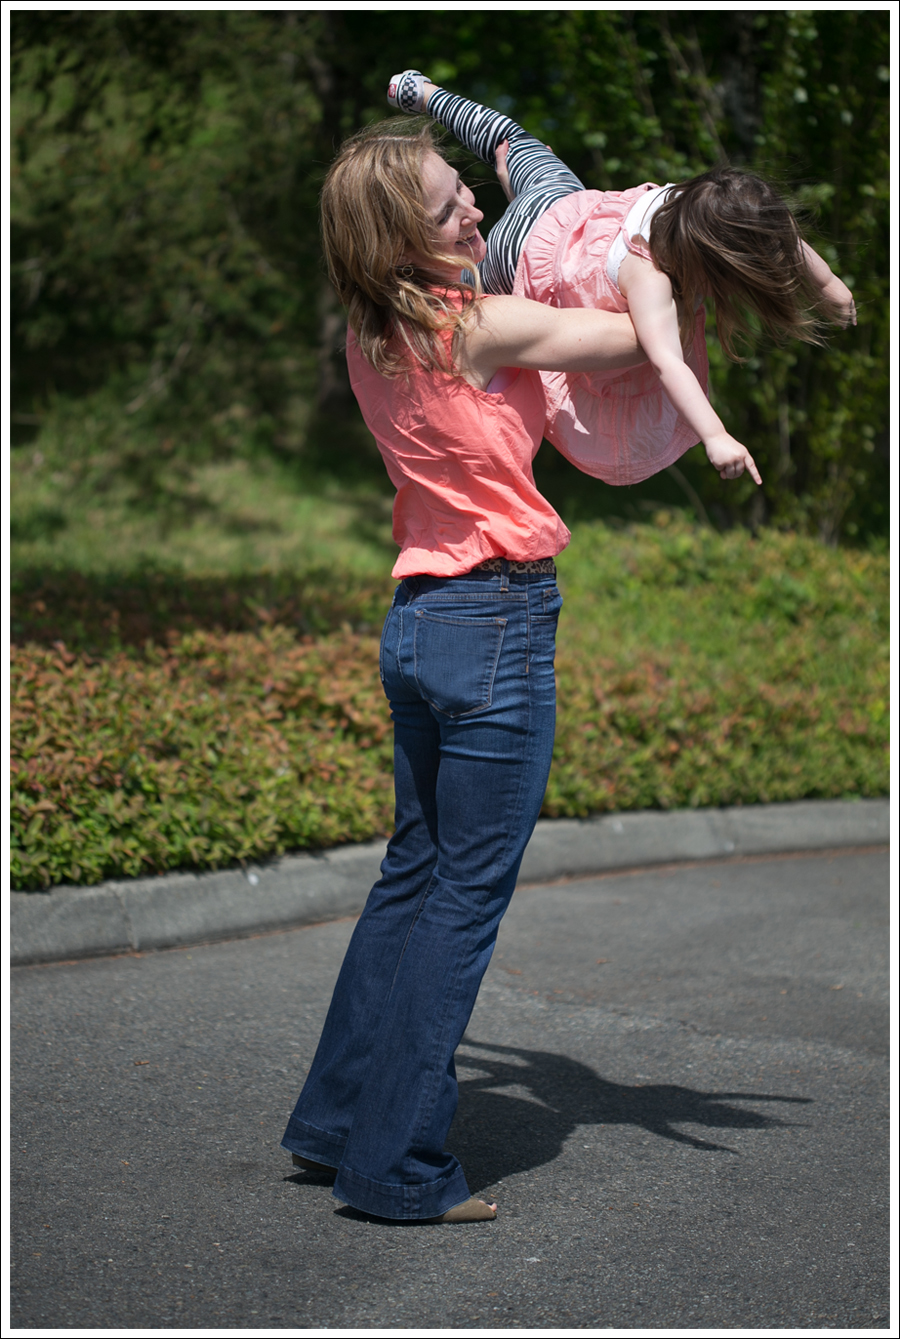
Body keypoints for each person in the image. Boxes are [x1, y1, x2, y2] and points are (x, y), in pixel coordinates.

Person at [280, 117, 648, 1223]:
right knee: (463, 896)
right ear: (402, 239)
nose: (474, 209)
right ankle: (395, 1164)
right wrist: (632, 233)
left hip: (419, 620)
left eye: (465, 190)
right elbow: (630, 337)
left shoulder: (371, 332)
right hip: (494, 616)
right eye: (449, 207)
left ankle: (337, 1121)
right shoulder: (477, 327)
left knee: (414, 874)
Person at [388, 71, 856, 489]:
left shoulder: (691, 199)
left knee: (508, 140)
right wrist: (717, 435)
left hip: (559, 202)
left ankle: (423, 93)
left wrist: (830, 285)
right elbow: (668, 362)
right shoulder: (649, 275)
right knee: (457, 302)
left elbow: (772, 225)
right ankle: (395, 274)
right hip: (520, 255)